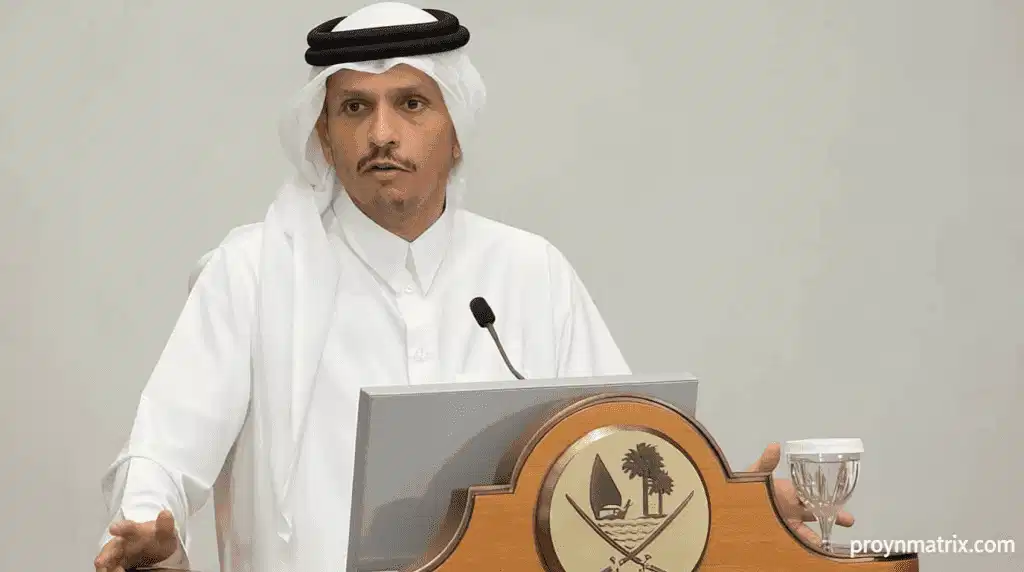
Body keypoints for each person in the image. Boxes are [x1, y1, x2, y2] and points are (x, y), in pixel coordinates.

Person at [93, 3, 852, 571]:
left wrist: (733, 508)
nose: (381, 133)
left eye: (410, 104)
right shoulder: (253, 272)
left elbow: (624, 447)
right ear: (324, 135)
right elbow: (162, 452)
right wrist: (147, 524)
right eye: (355, 108)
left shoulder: (530, 273)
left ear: (455, 130)